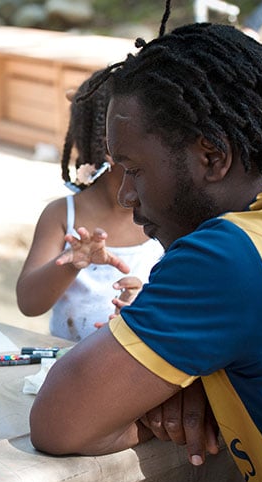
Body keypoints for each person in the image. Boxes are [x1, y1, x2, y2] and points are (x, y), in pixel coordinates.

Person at [29, 3, 262, 482]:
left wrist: (154, 399)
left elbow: (60, 421)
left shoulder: (230, 257)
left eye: (133, 169)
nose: (125, 196)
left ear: (212, 157)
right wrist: (196, 375)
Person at [16, 70, 163, 341]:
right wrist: (71, 264)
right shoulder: (62, 214)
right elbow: (28, 303)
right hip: (70, 362)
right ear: (109, 146)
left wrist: (143, 304)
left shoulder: (165, 217)